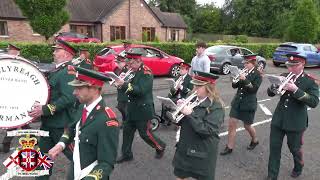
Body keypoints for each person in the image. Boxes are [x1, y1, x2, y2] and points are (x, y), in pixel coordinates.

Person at [48, 66, 119, 180]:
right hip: (76, 169)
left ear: (94, 88)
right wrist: (61, 144)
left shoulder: (107, 120)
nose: (74, 92)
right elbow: (72, 128)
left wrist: (90, 178)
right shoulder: (82, 107)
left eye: (79, 88)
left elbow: (106, 163)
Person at [28, 39, 77, 179]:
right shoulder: (57, 70)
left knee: (78, 158)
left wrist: (45, 110)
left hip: (61, 125)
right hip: (48, 124)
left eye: (57, 50)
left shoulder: (68, 71)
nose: (53, 52)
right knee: (42, 160)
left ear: (67, 54)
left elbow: (69, 98)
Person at [266, 54, 319, 180]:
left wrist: (295, 90)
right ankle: (272, 176)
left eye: (294, 66)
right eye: (289, 66)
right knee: (274, 149)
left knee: (294, 148)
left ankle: (299, 165)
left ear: (302, 65)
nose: (290, 69)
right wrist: (273, 86)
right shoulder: (284, 76)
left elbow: (314, 102)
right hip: (279, 119)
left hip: (296, 121)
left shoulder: (310, 81)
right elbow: (270, 93)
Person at [172, 71, 224, 180]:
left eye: (199, 86)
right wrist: (178, 111)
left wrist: (190, 114)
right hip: (185, 147)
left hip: (202, 151)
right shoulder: (192, 98)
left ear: (209, 88)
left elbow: (207, 130)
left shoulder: (216, 106)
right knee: (180, 176)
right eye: (195, 85)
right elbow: (181, 122)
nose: (195, 88)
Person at [115, 52, 166, 163]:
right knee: (127, 132)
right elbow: (128, 87)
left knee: (145, 134)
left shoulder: (146, 73)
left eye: (131, 63)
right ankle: (127, 154)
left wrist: (123, 84)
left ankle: (160, 146)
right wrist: (120, 82)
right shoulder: (133, 71)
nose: (129, 66)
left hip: (143, 109)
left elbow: (141, 90)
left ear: (138, 61)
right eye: (128, 63)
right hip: (132, 108)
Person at [220, 54, 262, 155]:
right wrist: (234, 78)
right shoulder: (244, 72)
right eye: (245, 63)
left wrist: (245, 79)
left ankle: (255, 139)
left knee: (247, 125)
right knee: (232, 124)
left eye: (247, 63)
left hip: (248, 104)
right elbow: (235, 86)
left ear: (253, 63)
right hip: (237, 102)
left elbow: (253, 90)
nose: (245, 65)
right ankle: (229, 147)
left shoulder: (258, 75)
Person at [0, 44, 32, 153]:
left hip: (20, 97)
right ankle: (34, 139)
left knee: (16, 121)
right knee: (21, 122)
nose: (9, 52)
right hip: (10, 97)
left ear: (17, 52)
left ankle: (5, 145)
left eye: (11, 50)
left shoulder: (23, 63)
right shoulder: (6, 61)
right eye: (9, 50)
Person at [114, 54, 130, 126]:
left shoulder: (127, 70)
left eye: (119, 63)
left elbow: (128, 82)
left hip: (125, 93)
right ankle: (125, 121)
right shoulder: (119, 70)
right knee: (121, 108)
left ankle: (127, 123)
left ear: (124, 62)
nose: (117, 64)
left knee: (124, 109)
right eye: (117, 63)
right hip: (121, 93)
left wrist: (119, 84)